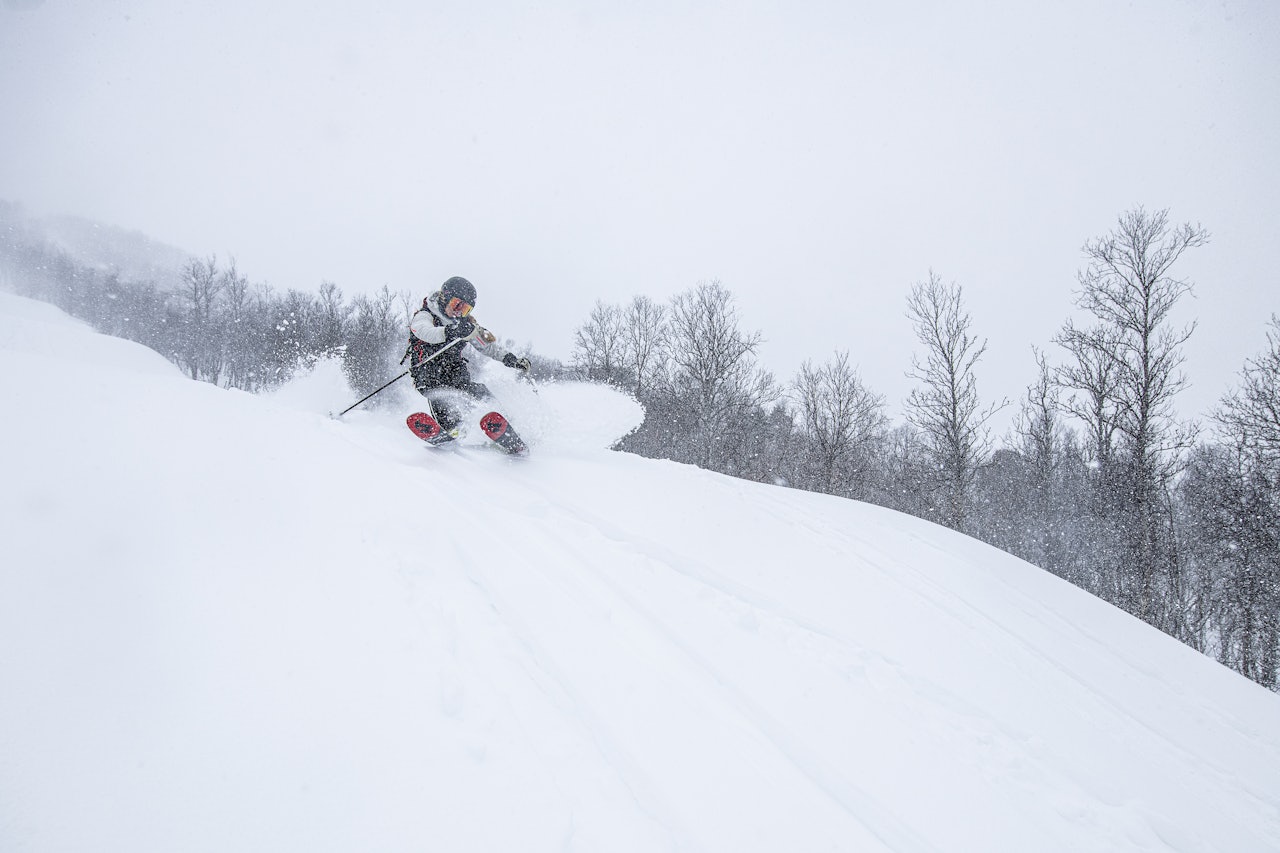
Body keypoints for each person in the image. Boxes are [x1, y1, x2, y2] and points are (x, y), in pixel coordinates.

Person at [404, 276, 530, 445]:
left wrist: (511, 360)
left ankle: (503, 425)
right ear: (445, 297)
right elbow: (424, 332)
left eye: (465, 309)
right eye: (457, 304)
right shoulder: (426, 315)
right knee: (439, 394)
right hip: (426, 369)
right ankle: (451, 429)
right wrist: (450, 331)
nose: (459, 312)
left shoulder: (465, 325)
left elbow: (487, 346)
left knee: (477, 391)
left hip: (454, 369)